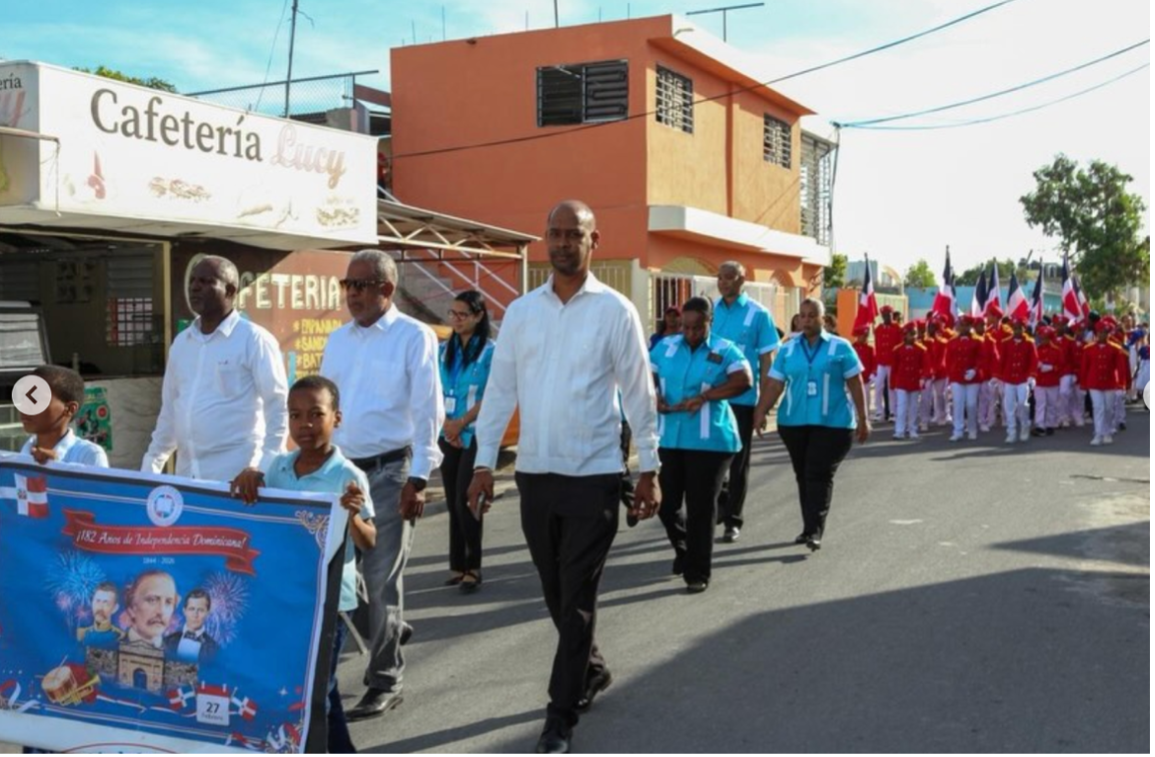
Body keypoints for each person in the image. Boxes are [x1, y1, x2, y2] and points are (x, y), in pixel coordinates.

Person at [467, 201, 661, 756]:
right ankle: (591, 669)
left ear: (593, 240)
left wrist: (649, 468)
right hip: (534, 475)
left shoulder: (616, 311)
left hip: (594, 475)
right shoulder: (523, 312)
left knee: (576, 595)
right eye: (553, 233)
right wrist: (483, 463)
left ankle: (559, 716)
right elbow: (500, 391)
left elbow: (638, 394)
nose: (561, 243)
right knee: (555, 592)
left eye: (572, 234)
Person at [320, 250, 444, 722]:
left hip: (392, 471)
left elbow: (428, 409)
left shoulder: (414, 337)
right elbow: (329, 404)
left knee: (380, 576)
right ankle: (390, 628)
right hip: (344, 473)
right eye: (347, 285)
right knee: (344, 572)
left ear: (386, 290)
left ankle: (385, 680)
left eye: (361, 285)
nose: (351, 294)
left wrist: (419, 478)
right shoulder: (338, 341)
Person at [231, 375, 376, 755]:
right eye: (295, 416)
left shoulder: (348, 475)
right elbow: (255, 502)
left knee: (313, 693)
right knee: (318, 690)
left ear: (337, 418)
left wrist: (355, 516)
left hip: (329, 603)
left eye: (316, 414)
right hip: (287, 600)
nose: (305, 425)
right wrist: (249, 477)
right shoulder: (278, 468)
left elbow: (369, 541)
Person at [142, 256, 289, 482]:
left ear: (230, 291)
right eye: (192, 281)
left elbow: (278, 408)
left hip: (239, 478)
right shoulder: (182, 343)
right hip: (188, 476)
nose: (195, 287)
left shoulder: (254, 340)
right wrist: (150, 468)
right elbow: (170, 412)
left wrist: (264, 468)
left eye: (205, 281)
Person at [651, 297, 752, 594]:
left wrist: (707, 397)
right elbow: (646, 373)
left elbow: (744, 380)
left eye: (697, 327)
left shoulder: (725, 350)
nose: (691, 333)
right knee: (666, 503)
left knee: (700, 506)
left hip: (711, 440)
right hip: (669, 436)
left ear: (710, 323)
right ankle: (684, 549)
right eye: (686, 327)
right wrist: (653, 393)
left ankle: (697, 572)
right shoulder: (666, 346)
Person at [754, 298, 870, 552]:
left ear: (823, 319)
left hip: (834, 424)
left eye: (811, 316)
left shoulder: (841, 348)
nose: (806, 320)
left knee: (818, 472)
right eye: (802, 316)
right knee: (803, 474)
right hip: (794, 422)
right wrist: (760, 412)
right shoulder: (788, 349)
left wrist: (863, 417)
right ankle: (808, 527)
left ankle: (815, 530)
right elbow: (775, 384)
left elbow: (854, 382)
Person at [712, 262, 780, 544]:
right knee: (711, 458)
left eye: (730, 278)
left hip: (741, 399)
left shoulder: (758, 314)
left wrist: (763, 406)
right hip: (712, 398)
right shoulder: (711, 311)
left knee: (738, 461)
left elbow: (767, 361)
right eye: (720, 278)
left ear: (743, 280)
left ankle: (733, 520)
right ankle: (718, 506)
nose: (724, 283)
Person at [439, 291, 495, 594]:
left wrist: (462, 423)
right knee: (452, 501)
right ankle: (457, 564)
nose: (456, 320)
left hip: (475, 433)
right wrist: (448, 426)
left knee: (467, 500)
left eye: (462, 314)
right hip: (447, 433)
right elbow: (435, 388)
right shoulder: (443, 350)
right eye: (453, 314)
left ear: (478, 316)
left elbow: (492, 395)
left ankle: (474, 566)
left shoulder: (490, 351)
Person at [18, 366, 108, 468]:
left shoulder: (88, 455)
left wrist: (57, 468)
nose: (25, 407)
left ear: (69, 409)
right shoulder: (15, 456)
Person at [1081, 321, 1129, 446]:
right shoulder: (1088, 349)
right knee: (1098, 408)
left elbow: (1121, 368)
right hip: (1094, 382)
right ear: (1096, 333)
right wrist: (1083, 384)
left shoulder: (1115, 348)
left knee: (1108, 408)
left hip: (1110, 382)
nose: (1103, 335)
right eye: (1100, 332)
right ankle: (1098, 433)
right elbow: (1084, 368)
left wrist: (1121, 384)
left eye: (1105, 333)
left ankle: (1107, 432)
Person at [999, 317, 1039, 444]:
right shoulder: (1005, 342)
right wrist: (998, 378)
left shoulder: (1029, 343)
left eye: (1019, 328)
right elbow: (1002, 361)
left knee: (1023, 404)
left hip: (1023, 378)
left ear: (1024, 329)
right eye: (1015, 328)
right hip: (1009, 378)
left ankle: (1024, 427)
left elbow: (1034, 360)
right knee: (1009, 406)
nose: (1017, 331)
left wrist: (1032, 375)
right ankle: (1011, 431)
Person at [946, 316, 985, 443]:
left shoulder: (978, 341)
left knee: (971, 404)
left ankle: (972, 429)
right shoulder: (952, 342)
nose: (962, 327)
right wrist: (950, 377)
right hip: (957, 376)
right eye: (961, 325)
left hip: (972, 377)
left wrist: (975, 370)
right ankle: (958, 430)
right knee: (957, 403)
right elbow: (949, 360)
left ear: (970, 326)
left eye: (965, 325)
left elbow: (982, 358)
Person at [891, 323, 928, 441]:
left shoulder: (921, 349)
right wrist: (893, 384)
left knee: (913, 407)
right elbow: (894, 368)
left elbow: (925, 366)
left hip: (914, 381)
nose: (913, 336)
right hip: (902, 381)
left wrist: (923, 378)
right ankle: (899, 431)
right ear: (905, 335)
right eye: (911, 334)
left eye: (914, 334)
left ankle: (912, 429)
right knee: (901, 407)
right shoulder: (897, 349)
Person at [124, 571, 180, 650]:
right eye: (152, 600)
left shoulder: (176, 656)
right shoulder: (109, 648)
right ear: (132, 608)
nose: (161, 611)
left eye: (168, 602)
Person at [163, 590, 219, 663]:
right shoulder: (167, 641)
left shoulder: (214, 649)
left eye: (201, 610)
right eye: (191, 609)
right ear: (184, 611)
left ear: (207, 613)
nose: (195, 615)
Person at [872, 305, 902, 423]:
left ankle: (893, 412)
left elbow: (899, 346)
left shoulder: (897, 328)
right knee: (878, 386)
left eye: (888, 314)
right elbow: (877, 347)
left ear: (892, 315)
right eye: (884, 315)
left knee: (891, 387)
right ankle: (879, 411)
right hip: (881, 362)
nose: (886, 317)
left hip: (892, 362)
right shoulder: (878, 329)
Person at [1033, 326, 1065, 437]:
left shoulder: (1057, 350)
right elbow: (1033, 362)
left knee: (1051, 404)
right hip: (1040, 381)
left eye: (1046, 338)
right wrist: (1037, 366)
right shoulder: (1037, 349)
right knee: (1040, 404)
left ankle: (1050, 424)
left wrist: (1051, 367)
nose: (1043, 340)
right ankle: (1039, 425)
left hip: (1052, 381)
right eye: (1042, 338)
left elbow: (1061, 365)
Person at [77, 583, 125, 649]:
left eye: (106, 603)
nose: (100, 607)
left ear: (115, 608)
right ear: (92, 603)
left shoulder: (120, 636)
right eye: (97, 601)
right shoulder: (80, 634)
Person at [851, 325, 876, 421]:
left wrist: (873, 373)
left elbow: (874, 361)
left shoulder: (870, 348)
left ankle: (866, 417)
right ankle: (854, 417)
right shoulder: (852, 347)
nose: (865, 338)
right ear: (858, 336)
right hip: (854, 378)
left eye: (866, 336)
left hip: (866, 379)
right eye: (863, 336)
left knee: (867, 399)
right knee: (854, 399)